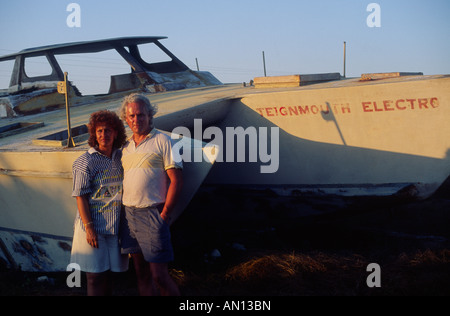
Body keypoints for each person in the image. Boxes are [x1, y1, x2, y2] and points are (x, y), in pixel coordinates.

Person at [119, 93, 183, 296]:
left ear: (149, 115)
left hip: (153, 213)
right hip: (129, 215)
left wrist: (164, 215)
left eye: (140, 115)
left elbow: (177, 180)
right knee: (141, 273)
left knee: (159, 276)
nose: (136, 120)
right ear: (126, 119)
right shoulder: (125, 146)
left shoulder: (163, 141)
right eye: (132, 116)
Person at [70, 110, 129, 296]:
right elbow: (80, 196)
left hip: (114, 228)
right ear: (94, 134)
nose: (104, 135)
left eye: (109, 130)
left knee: (109, 275)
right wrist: (89, 228)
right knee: (94, 277)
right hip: (92, 228)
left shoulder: (121, 157)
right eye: (100, 131)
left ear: (116, 133)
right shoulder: (85, 161)